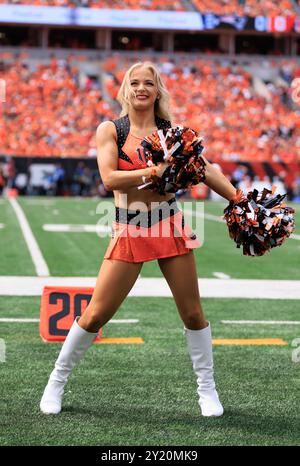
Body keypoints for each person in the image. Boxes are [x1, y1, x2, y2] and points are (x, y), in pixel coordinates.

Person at [40, 61, 237, 417]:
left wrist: (238, 200)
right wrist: (152, 171)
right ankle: (56, 381)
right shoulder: (111, 130)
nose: (142, 88)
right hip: (129, 227)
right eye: (135, 82)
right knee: (96, 314)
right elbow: (111, 180)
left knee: (193, 314)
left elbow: (205, 169)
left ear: (158, 90)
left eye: (149, 83)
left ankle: (207, 390)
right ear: (126, 89)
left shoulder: (173, 133)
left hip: (168, 224)